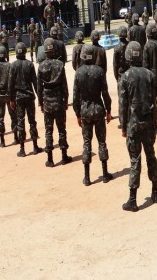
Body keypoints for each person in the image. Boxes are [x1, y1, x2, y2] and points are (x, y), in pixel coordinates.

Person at [118, 41, 157, 212]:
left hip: (133, 125)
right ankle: (155, 191)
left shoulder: (126, 77)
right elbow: (154, 102)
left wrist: (123, 126)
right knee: (151, 155)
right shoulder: (149, 75)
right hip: (148, 122)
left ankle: (133, 199)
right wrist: (155, 123)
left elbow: (123, 105)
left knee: (135, 160)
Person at [73, 43, 114, 186]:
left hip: (85, 111)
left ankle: (87, 177)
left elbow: (75, 96)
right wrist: (109, 110)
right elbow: (105, 93)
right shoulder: (99, 71)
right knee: (102, 142)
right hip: (98, 110)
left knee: (86, 142)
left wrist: (77, 113)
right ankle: (104, 174)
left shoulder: (78, 72)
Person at [37, 38, 73, 167]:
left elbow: (39, 87)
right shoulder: (59, 64)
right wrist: (66, 99)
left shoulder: (41, 66)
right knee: (61, 129)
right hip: (58, 100)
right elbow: (64, 84)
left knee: (48, 130)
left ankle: (50, 158)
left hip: (47, 101)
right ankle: (64, 156)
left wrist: (40, 102)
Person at [8, 42, 40, 158]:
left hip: (19, 98)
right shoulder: (29, 65)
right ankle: (35, 146)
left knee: (20, 122)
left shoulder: (13, 66)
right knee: (32, 121)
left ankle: (22, 148)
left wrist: (11, 99)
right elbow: (35, 83)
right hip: (29, 97)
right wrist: (39, 97)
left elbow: (10, 84)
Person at [0, 46, 21, 148]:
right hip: (9, 95)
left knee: (0, 118)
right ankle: (16, 137)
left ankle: (2, 140)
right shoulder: (9, 66)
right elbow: (14, 82)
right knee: (13, 116)